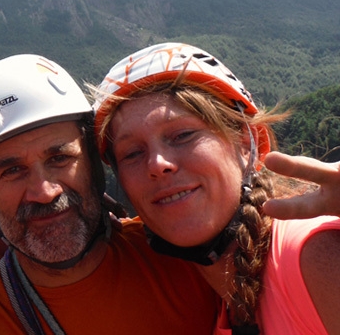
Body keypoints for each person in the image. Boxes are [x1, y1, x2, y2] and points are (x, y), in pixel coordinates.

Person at [0, 54, 221, 335]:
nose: (44, 192)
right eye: (12, 171)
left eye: (60, 158)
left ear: (94, 164)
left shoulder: (187, 261)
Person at [92, 42, 340, 335]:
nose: (157, 164)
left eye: (183, 135)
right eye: (131, 153)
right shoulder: (221, 306)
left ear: (247, 143)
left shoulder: (311, 254)